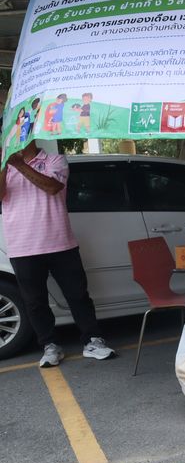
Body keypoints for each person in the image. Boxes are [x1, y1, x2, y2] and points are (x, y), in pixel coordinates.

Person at [0, 140, 116, 367]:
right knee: (35, 302)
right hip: (23, 246)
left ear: (31, 137)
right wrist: (6, 164)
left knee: (78, 295)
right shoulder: (6, 166)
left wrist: (20, 165)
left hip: (60, 243)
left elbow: (53, 187)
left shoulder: (55, 160)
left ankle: (92, 340)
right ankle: (49, 345)